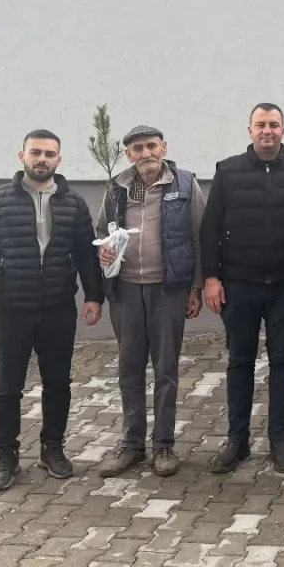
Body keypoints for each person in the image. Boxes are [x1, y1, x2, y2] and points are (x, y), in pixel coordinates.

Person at [0, 130, 103, 492]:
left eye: (49, 154)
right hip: (12, 309)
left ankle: (52, 448)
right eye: (36, 152)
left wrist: (94, 295)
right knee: (7, 388)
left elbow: (86, 253)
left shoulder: (74, 204)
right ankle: (6, 456)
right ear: (22, 155)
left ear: (59, 160)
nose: (42, 159)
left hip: (57, 308)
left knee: (58, 384)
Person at [201, 103, 284, 474]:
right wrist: (211, 278)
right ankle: (237, 441)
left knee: (283, 361)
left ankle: (279, 440)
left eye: (274, 124)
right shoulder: (228, 171)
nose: (267, 130)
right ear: (249, 130)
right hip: (239, 285)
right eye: (261, 124)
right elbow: (210, 228)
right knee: (240, 361)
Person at [94, 125, 205, 478]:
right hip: (126, 290)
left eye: (151, 146)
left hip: (168, 290)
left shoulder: (185, 184)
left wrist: (196, 287)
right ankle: (131, 445)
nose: (146, 153)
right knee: (129, 369)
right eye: (138, 148)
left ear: (164, 147)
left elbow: (199, 236)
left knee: (166, 369)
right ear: (129, 154)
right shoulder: (116, 188)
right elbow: (101, 231)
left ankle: (164, 445)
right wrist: (104, 249)